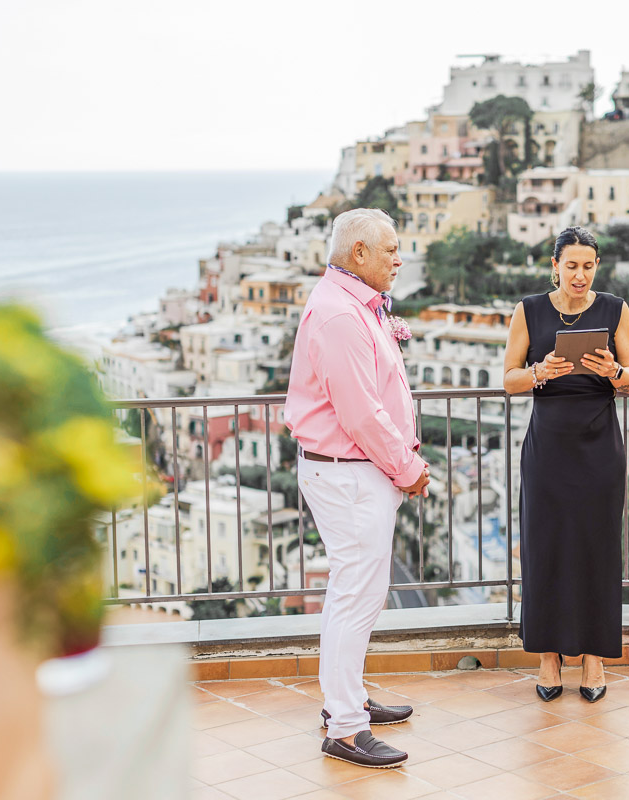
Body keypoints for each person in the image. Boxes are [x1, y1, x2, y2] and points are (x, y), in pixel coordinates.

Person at [284, 208, 432, 769]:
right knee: (355, 596)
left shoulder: (350, 304)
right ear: (359, 254)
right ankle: (346, 727)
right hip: (349, 472)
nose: (399, 259)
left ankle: (349, 702)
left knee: (356, 594)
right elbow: (361, 413)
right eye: (390, 250)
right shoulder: (340, 315)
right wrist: (407, 468)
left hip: (353, 471)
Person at [501, 226, 629, 703]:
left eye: (588, 265)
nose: (580, 275)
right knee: (545, 548)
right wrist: (539, 372)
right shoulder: (529, 310)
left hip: (600, 448)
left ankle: (595, 659)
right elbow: (509, 380)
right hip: (548, 450)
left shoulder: (616, 309)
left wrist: (613, 372)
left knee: (597, 549)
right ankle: (548, 657)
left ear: (596, 267)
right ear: (554, 265)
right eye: (571, 265)